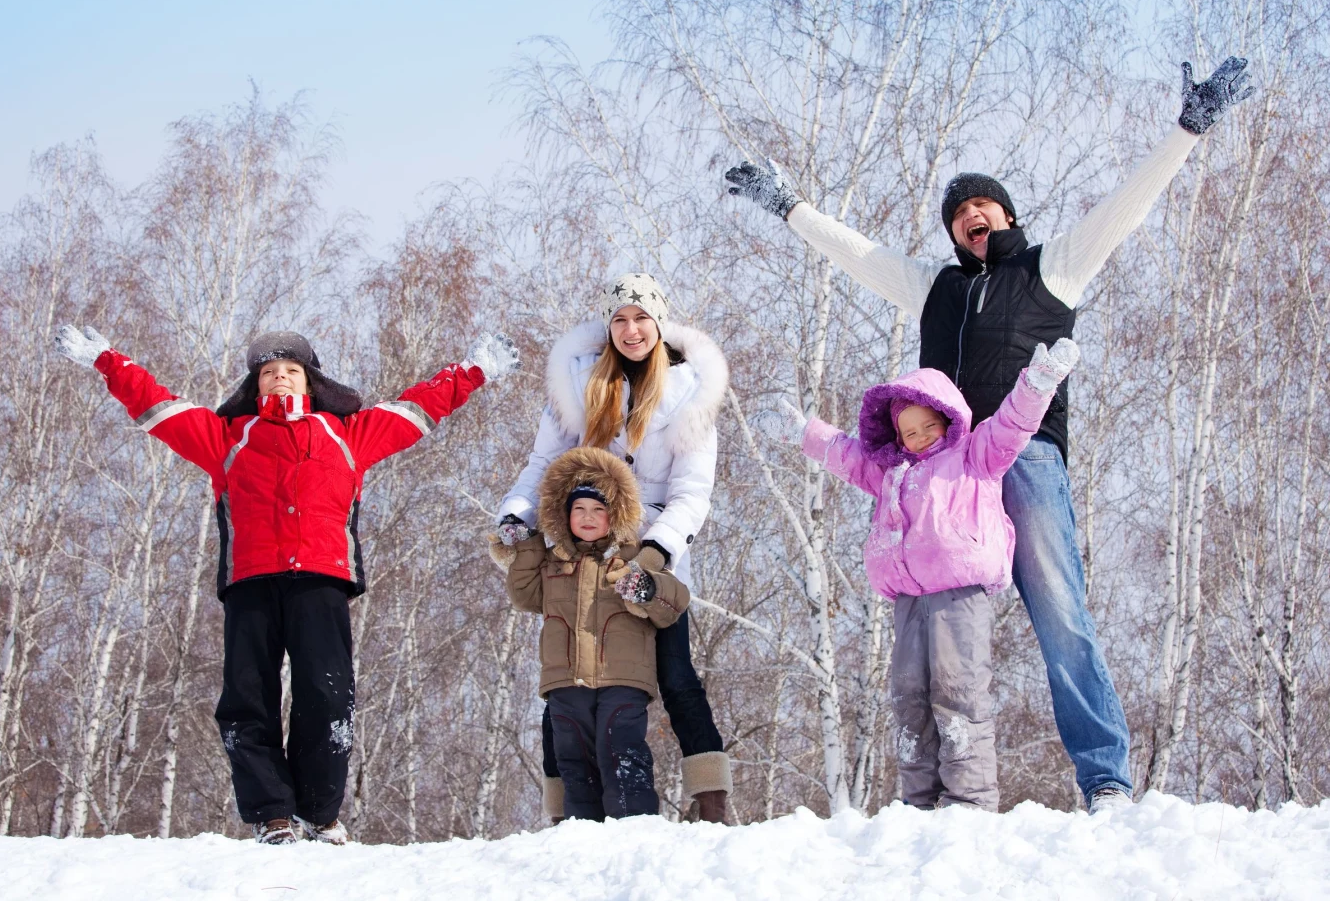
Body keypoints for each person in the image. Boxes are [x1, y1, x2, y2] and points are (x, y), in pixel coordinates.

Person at [725, 57, 1255, 813]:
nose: (972, 214)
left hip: (1024, 458)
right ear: (952, 233)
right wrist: (787, 206)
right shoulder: (933, 288)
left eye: (984, 205)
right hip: (944, 475)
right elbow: (855, 253)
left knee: (1059, 611)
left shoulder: (1054, 268)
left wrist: (1187, 129)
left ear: (1006, 217)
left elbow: (1127, 205)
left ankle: (1105, 778)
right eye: (958, 211)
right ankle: (935, 793)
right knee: (933, 637)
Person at [54, 325, 520, 844]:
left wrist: (475, 369)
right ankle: (273, 814)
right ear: (255, 389)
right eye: (269, 373)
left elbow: (420, 407)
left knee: (326, 695)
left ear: (310, 384)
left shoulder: (348, 434)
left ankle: (320, 816)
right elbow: (158, 406)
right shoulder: (225, 437)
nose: (279, 379)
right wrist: (106, 360)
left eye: (290, 372)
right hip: (250, 583)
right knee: (247, 698)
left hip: (322, 580)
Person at [762, 340, 1079, 810]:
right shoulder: (892, 473)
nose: (921, 437)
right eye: (909, 432)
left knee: (958, 689)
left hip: (958, 595)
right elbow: (847, 455)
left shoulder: (974, 456)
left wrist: (1036, 385)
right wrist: (804, 432)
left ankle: (969, 799)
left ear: (949, 420)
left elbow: (1013, 424)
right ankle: (919, 802)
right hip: (909, 598)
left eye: (930, 425)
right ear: (898, 438)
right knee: (910, 698)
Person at [494, 273, 733, 823]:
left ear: (659, 324)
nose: (631, 329)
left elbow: (692, 491)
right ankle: (561, 812)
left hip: (652, 551)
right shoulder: (577, 383)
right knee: (567, 677)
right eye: (620, 319)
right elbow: (543, 463)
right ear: (608, 327)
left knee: (675, 675)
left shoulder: (691, 390)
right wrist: (516, 514)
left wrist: (654, 553)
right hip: (585, 545)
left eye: (642, 318)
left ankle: (711, 800)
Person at [502, 447, 689, 819]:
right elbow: (524, 595)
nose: (588, 517)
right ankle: (581, 835)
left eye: (598, 510)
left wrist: (647, 589)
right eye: (579, 509)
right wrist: (526, 544)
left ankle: (632, 827)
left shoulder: (634, 558)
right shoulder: (553, 563)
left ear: (614, 514)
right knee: (573, 759)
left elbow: (674, 602)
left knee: (621, 751)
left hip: (622, 679)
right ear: (565, 515)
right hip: (565, 682)